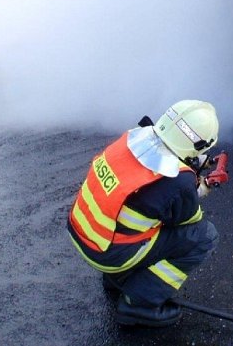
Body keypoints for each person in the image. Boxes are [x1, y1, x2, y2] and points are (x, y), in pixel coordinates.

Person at [67, 100, 220, 327]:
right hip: (110, 254)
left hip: (85, 233)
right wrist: (200, 188)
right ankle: (139, 303)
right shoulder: (179, 180)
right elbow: (189, 220)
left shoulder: (134, 138)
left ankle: (117, 279)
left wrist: (190, 165)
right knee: (204, 236)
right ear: (200, 144)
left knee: (144, 219)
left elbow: (148, 181)